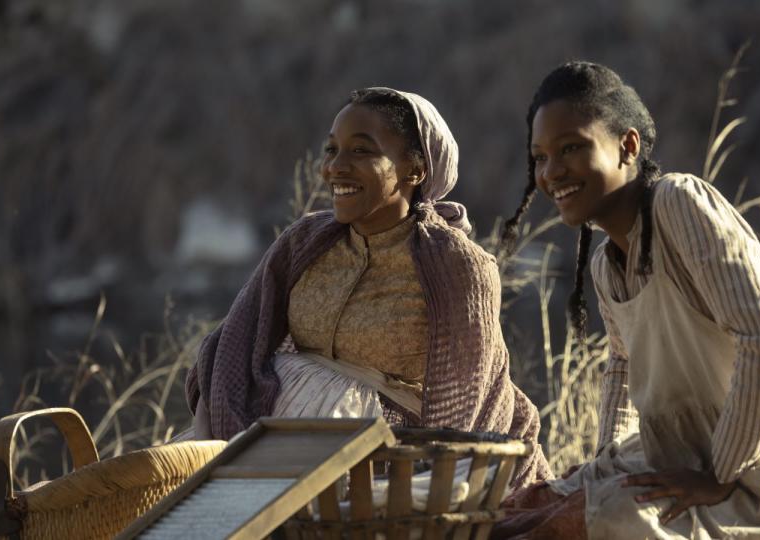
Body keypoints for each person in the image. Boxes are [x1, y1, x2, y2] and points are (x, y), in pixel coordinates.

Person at [492, 62, 760, 538]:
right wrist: (606, 467)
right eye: (540, 157)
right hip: (686, 453)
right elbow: (622, 369)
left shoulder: (679, 203)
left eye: (571, 148)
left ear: (628, 146)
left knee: (594, 520)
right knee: (526, 506)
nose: (551, 172)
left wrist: (719, 474)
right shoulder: (608, 262)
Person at [185, 87, 551, 488]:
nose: (335, 167)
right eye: (331, 150)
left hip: (380, 465)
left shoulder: (457, 267)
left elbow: (464, 409)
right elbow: (234, 345)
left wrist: (417, 492)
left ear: (415, 170)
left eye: (361, 151)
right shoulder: (304, 242)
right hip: (276, 442)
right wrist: (224, 438)